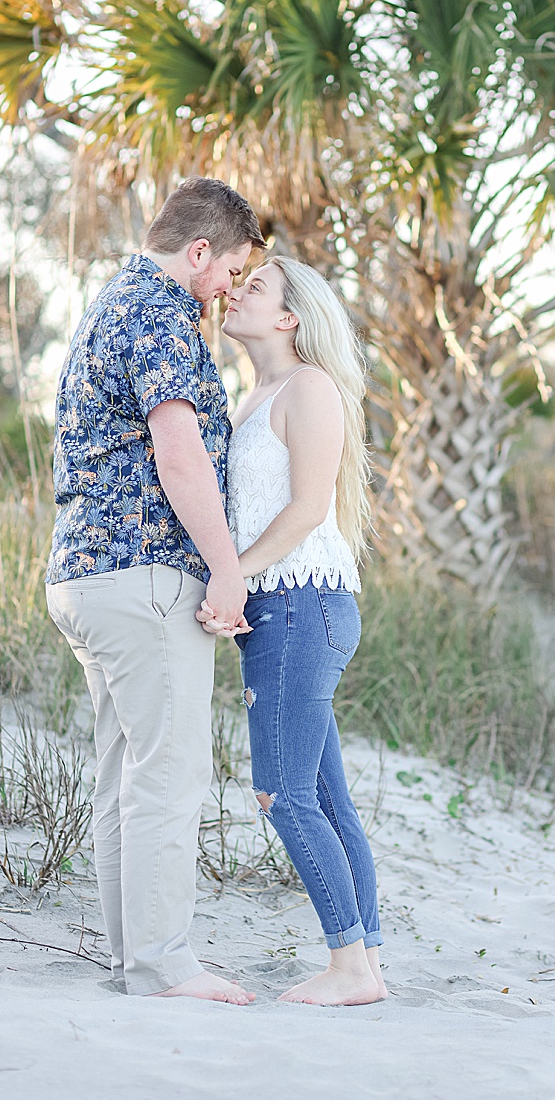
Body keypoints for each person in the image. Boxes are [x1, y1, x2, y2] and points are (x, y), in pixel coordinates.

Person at [45, 177, 263, 1003]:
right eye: (229, 270)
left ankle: (133, 958)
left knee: (124, 775)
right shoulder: (162, 313)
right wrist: (228, 564)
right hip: (143, 573)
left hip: (84, 572)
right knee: (169, 777)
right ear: (198, 251)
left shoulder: (110, 303)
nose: (228, 289)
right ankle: (165, 966)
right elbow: (180, 454)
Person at [202, 255, 386, 1006]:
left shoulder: (309, 387)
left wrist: (235, 574)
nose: (236, 292)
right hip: (281, 607)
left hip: (300, 602)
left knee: (282, 794)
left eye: (256, 287)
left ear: (290, 319)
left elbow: (310, 507)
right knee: (327, 795)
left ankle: (348, 967)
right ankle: (367, 961)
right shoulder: (253, 396)